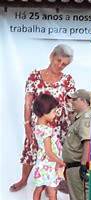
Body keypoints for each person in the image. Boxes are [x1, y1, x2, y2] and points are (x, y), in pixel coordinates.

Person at [10, 44, 76, 192]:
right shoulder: (35, 76)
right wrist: (27, 124)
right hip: (38, 126)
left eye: (64, 64)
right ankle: (23, 180)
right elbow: (27, 103)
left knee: (56, 153)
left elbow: (71, 104)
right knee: (31, 150)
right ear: (52, 56)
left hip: (59, 127)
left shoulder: (68, 80)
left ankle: (52, 183)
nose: (60, 65)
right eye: (58, 60)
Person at [62, 89, 91, 200]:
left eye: (74, 100)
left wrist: (83, 164)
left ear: (83, 101)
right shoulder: (78, 119)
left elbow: (87, 142)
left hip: (78, 165)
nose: (71, 102)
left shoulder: (85, 118)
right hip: (71, 165)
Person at [30, 93, 65, 200]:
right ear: (45, 112)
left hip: (41, 164)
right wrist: (61, 162)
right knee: (52, 194)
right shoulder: (46, 130)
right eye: (54, 111)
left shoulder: (38, 126)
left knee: (39, 188)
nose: (55, 114)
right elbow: (50, 153)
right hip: (49, 166)